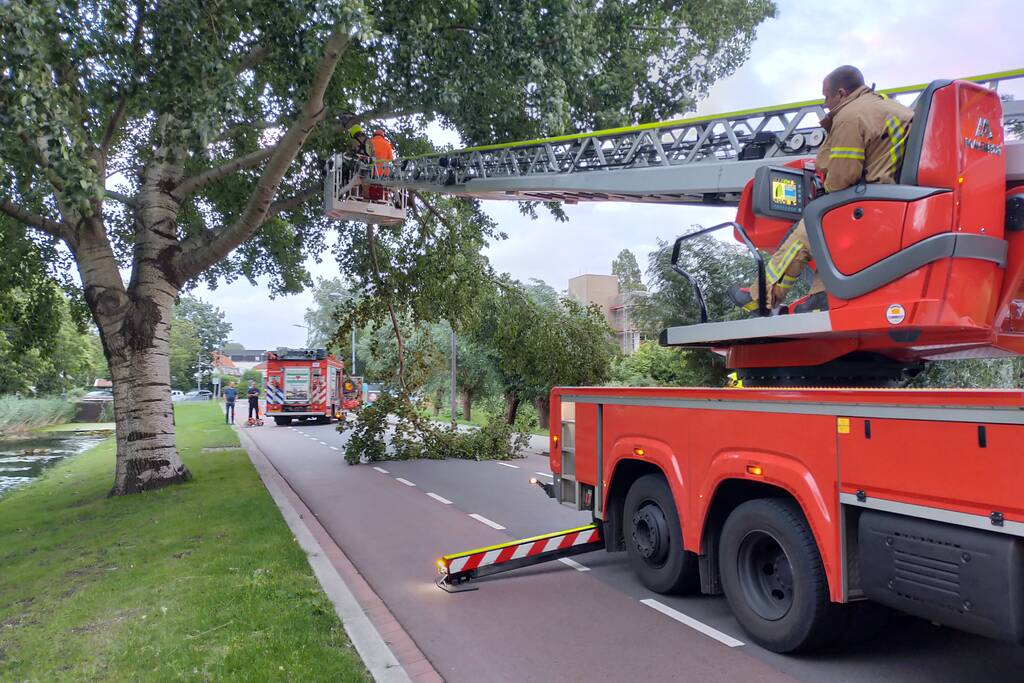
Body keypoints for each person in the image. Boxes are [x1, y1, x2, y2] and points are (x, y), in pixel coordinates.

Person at [728, 65, 914, 315]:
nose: (826, 104)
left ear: (841, 92)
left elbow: (842, 177)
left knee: (809, 227)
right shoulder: (899, 110)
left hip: (867, 202)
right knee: (833, 234)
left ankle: (762, 297)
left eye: (826, 97)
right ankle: (821, 295)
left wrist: (826, 189)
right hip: (893, 205)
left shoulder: (850, 116)